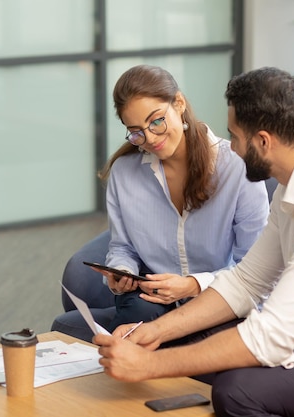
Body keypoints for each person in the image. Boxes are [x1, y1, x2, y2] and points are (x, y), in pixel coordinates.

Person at [93, 67, 294, 417]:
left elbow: (272, 336)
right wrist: (155, 332)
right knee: (219, 362)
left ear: (263, 141)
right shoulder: (292, 188)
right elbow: (246, 283)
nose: (229, 147)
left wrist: (149, 365)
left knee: (238, 392)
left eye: (235, 137)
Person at [90, 64, 269, 335]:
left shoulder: (236, 168)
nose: (150, 138)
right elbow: (122, 247)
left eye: (157, 121)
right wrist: (121, 271)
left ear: (179, 103)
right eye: (137, 131)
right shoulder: (124, 172)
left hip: (218, 295)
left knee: (212, 331)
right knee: (135, 321)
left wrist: (195, 285)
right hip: (150, 298)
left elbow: (256, 270)